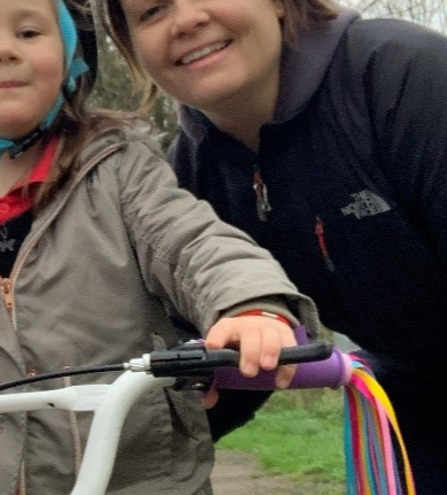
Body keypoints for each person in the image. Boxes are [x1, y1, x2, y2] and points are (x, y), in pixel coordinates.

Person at [0, 0, 323, 493]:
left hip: (137, 480)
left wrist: (250, 307)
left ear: (70, 53)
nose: (3, 51)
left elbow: (193, 244)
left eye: (28, 32)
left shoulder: (121, 172)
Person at [97, 0, 447, 492]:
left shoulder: (407, 75)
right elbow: (221, 368)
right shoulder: (187, 181)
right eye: (152, 11)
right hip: (416, 405)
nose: (187, 19)